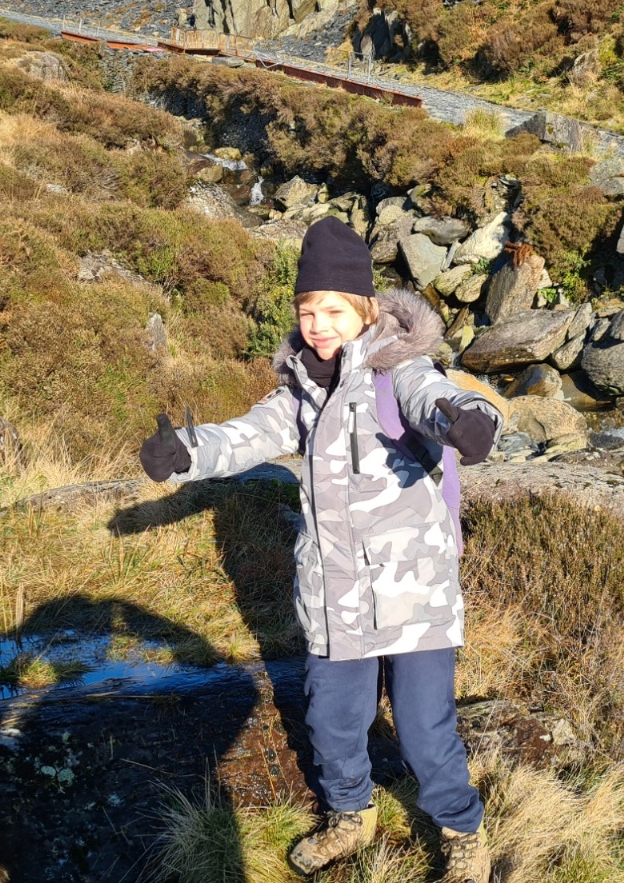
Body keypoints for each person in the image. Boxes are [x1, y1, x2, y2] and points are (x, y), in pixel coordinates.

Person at [138, 217, 501, 882]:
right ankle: (350, 815)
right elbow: (247, 435)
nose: (319, 325)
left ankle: (461, 829)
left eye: (333, 310)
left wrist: (474, 421)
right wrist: (186, 453)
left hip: (413, 593)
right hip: (335, 594)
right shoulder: (301, 389)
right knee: (333, 721)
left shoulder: (401, 370)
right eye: (308, 311)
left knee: (424, 728)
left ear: (365, 309)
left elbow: (438, 400)